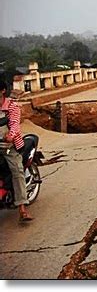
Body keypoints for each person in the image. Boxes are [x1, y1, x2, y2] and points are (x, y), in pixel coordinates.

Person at [0, 81, 33, 222]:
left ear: (2, 91)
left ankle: (22, 208)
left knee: (17, 171)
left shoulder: (11, 106)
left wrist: (10, 136)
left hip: (9, 146)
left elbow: (14, 125)